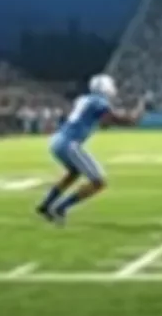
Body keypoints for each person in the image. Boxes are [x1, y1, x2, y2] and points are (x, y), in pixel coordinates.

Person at [36, 74, 144, 225]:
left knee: (73, 173)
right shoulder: (99, 101)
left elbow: (103, 122)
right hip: (70, 143)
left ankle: (46, 205)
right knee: (99, 182)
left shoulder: (86, 99)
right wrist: (135, 115)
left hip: (58, 141)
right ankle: (61, 208)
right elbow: (116, 120)